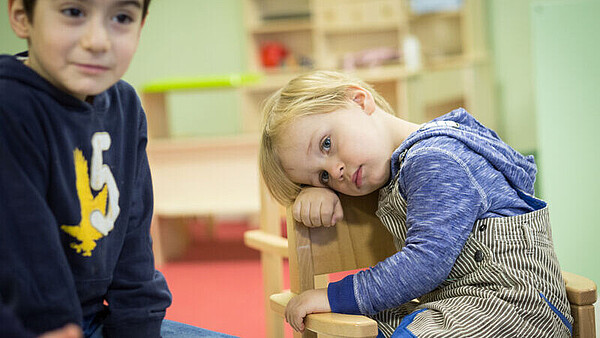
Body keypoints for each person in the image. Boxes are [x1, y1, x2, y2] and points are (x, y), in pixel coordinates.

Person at [259, 70, 573, 337]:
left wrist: (334, 295)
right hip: (455, 302)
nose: (336, 172)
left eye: (327, 144)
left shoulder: (433, 159)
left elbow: (426, 263)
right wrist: (319, 193)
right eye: (322, 177)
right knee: (364, 326)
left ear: (359, 100)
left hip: (513, 308)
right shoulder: (390, 167)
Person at [0, 1, 234, 337]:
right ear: (22, 17)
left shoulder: (125, 105)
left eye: (121, 18)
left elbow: (134, 242)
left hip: (95, 321)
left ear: (141, 26)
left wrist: (138, 326)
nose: (98, 41)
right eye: (73, 12)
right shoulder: (10, 106)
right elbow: (29, 261)